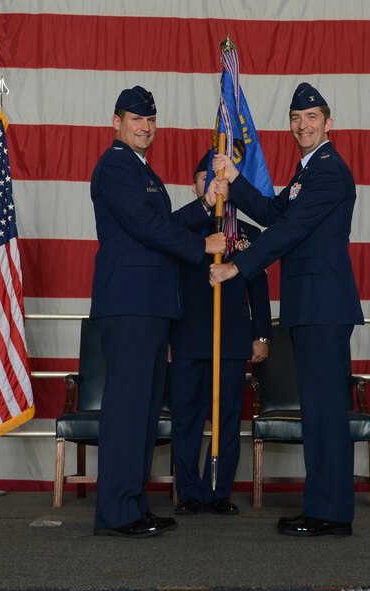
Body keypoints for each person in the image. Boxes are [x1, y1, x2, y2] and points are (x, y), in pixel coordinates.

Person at [207, 82, 364, 537]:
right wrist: (235, 181)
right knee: (317, 410)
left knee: (327, 411)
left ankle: (331, 512)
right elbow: (276, 212)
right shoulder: (306, 171)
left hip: (324, 306)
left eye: (312, 117)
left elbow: (288, 230)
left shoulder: (330, 171)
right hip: (310, 305)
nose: (303, 125)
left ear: (328, 122)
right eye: (296, 118)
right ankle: (322, 506)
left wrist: (239, 266)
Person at [89, 86, 226, 538]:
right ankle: (115, 512)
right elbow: (148, 228)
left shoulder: (140, 169)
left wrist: (205, 205)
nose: (144, 127)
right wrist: (201, 244)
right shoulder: (114, 166)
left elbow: (161, 224)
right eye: (135, 119)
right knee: (127, 410)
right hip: (129, 304)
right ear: (116, 122)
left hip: (149, 306)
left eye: (150, 120)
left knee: (144, 413)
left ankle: (131, 503)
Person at [168, 151, 272, 516]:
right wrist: (166, 335)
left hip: (230, 338)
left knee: (228, 416)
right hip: (186, 337)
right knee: (187, 417)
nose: (212, 185)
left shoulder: (247, 235)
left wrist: (261, 334)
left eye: (218, 180)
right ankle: (191, 491)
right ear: (194, 185)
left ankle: (220, 491)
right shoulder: (179, 231)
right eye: (204, 179)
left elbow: (258, 288)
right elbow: (168, 284)